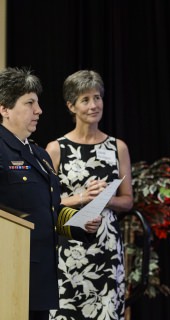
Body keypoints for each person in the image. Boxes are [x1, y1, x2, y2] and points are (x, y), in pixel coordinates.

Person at [0, 67, 102, 320]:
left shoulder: (40, 155)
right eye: (29, 103)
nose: (39, 111)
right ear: (5, 109)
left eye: (38, 103)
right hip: (8, 275)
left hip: (38, 274)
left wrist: (81, 224)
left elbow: (50, 209)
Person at [46, 70, 133, 320]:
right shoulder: (56, 149)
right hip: (68, 247)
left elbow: (128, 200)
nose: (94, 105)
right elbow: (45, 201)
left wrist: (106, 198)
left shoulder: (118, 147)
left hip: (106, 248)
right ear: (71, 106)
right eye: (85, 100)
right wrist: (82, 197)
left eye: (97, 97)